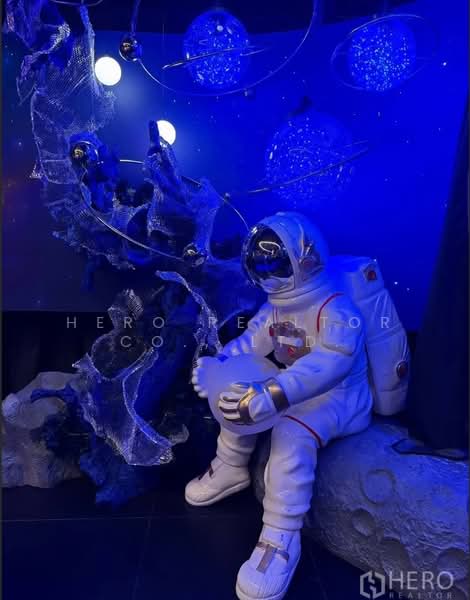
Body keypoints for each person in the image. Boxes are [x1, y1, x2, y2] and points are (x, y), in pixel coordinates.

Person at [187, 212, 373, 600]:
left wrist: (273, 394)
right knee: (236, 390)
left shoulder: (336, 310)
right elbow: (251, 344)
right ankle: (230, 467)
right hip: (292, 387)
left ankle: (279, 538)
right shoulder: (276, 307)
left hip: (341, 398)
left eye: (277, 265)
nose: (270, 275)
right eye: (262, 267)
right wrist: (219, 366)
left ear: (305, 261)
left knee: (290, 431)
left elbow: (331, 363)